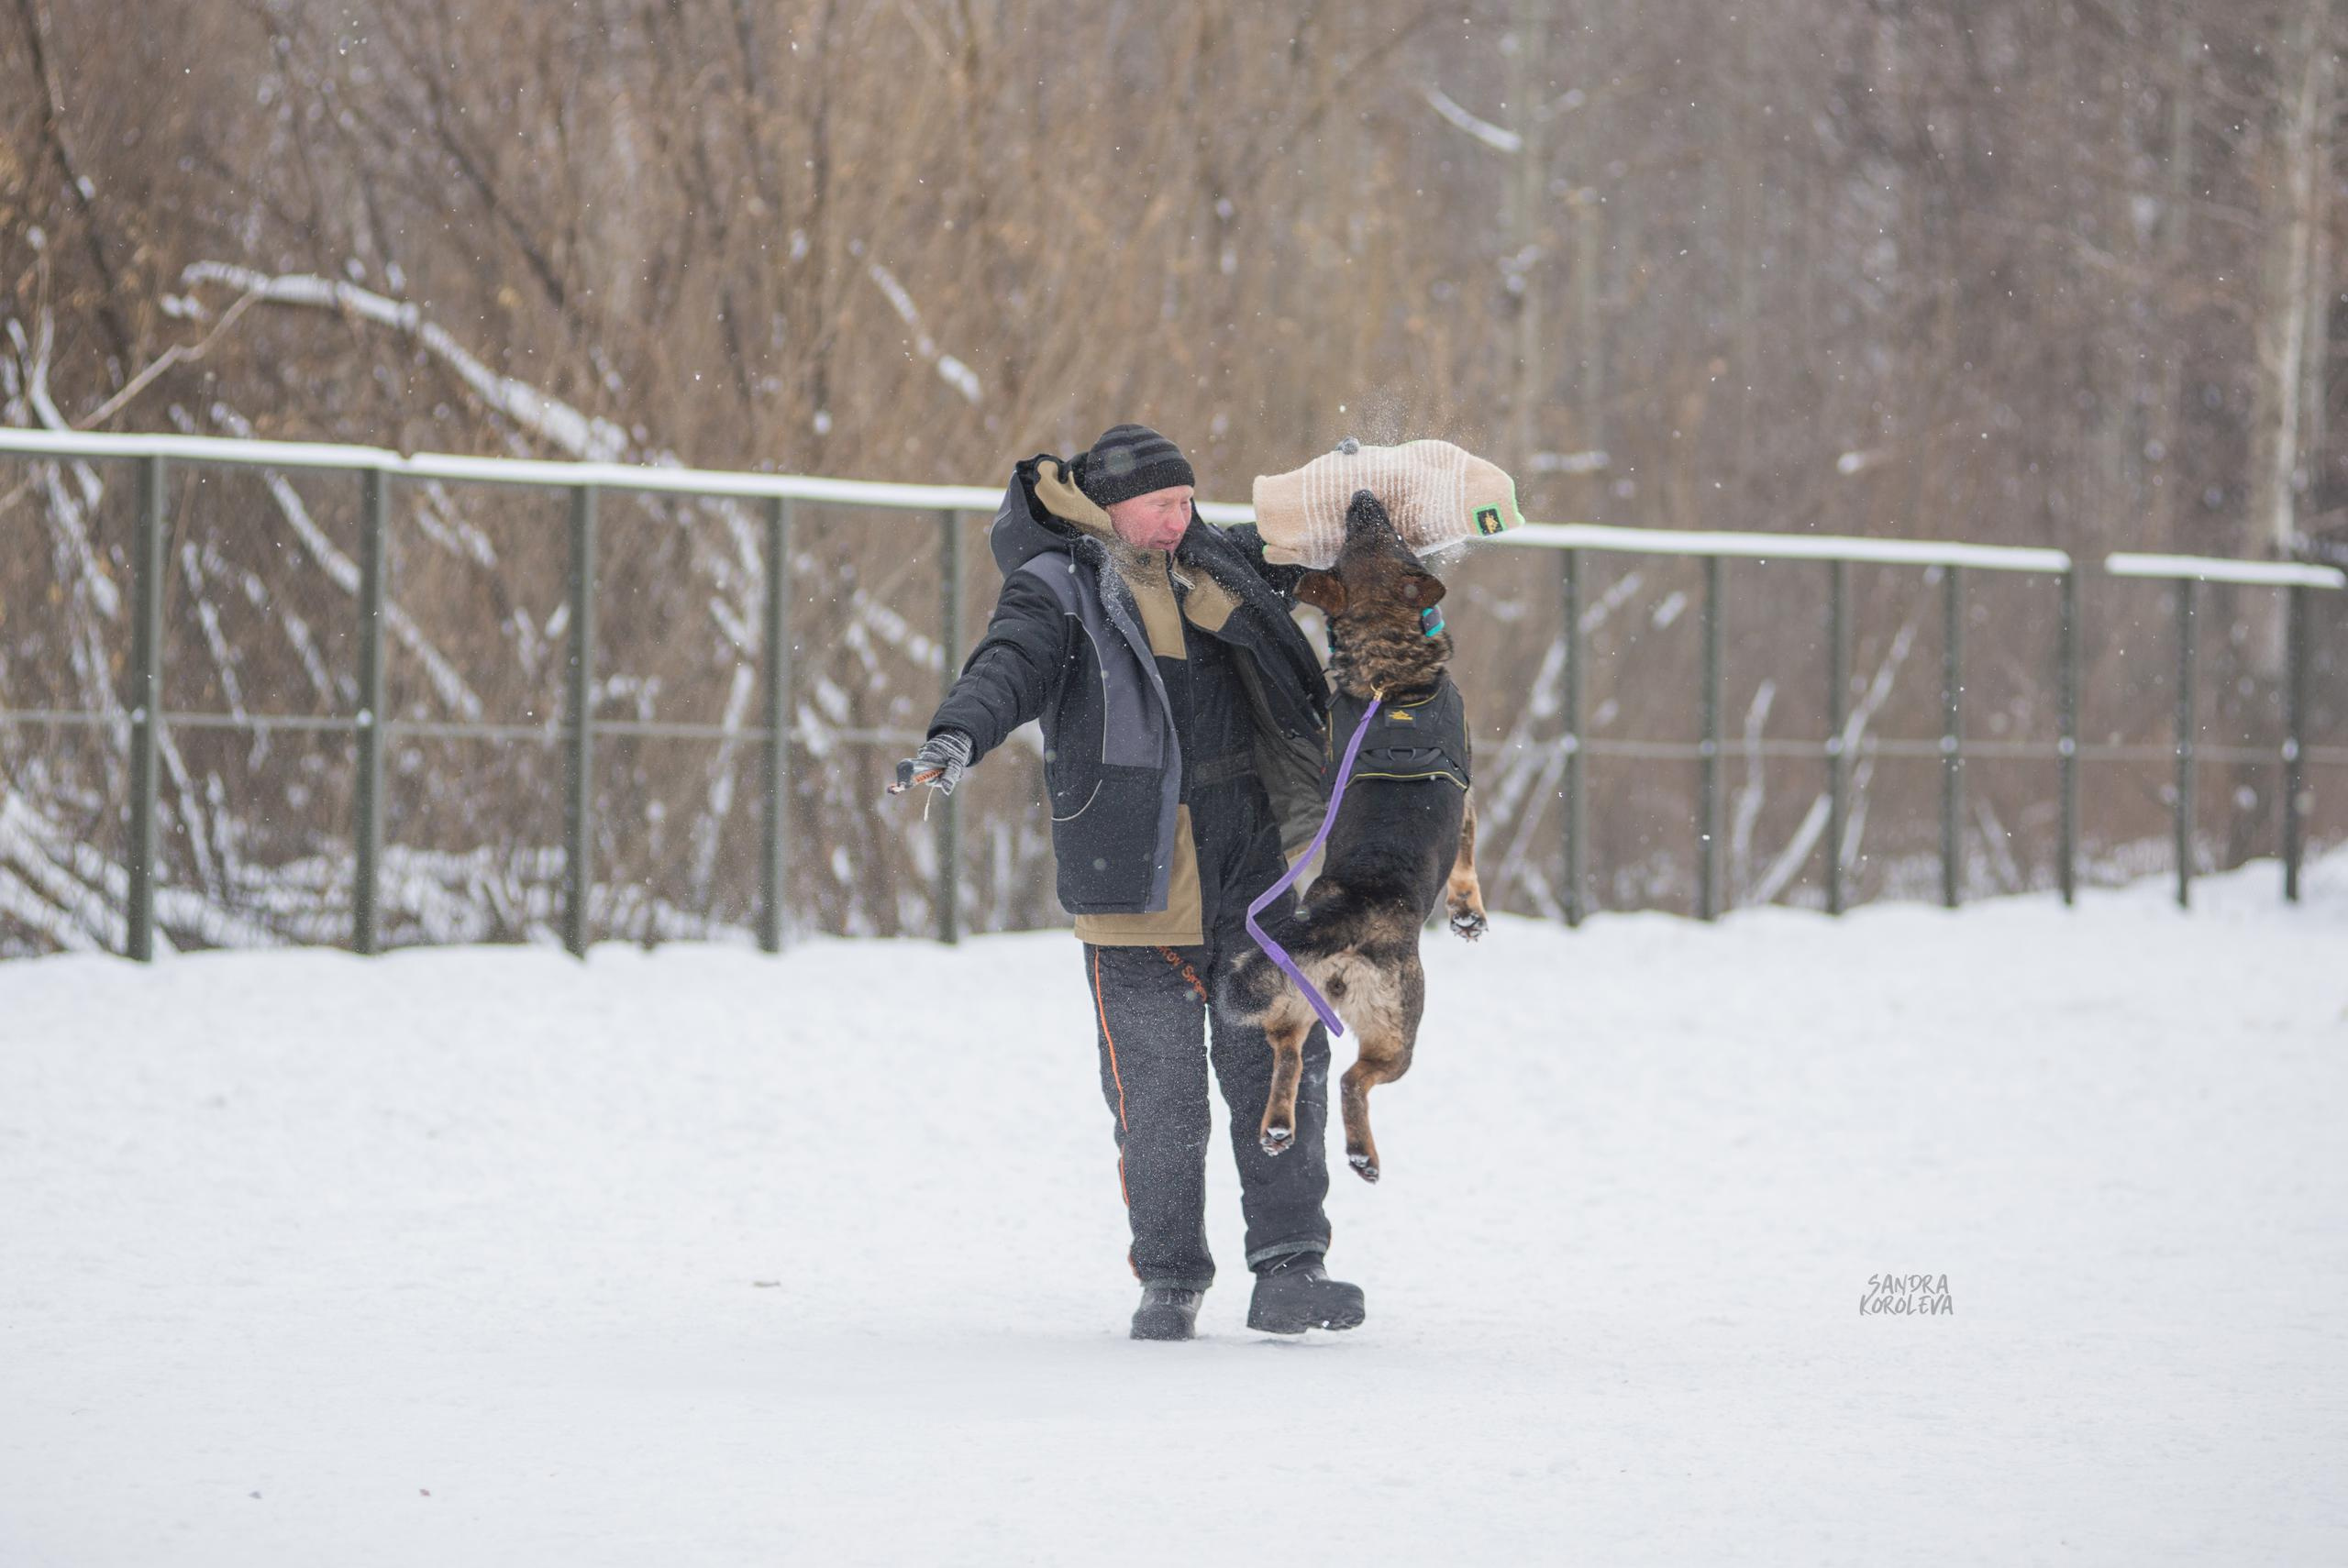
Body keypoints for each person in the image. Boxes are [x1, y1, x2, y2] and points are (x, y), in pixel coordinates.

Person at [892, 424, 1366, 1341]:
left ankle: (1290, 1270)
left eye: (1187, 501)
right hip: (1133, 878)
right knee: (1157, 1102)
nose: (1180, 518)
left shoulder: (1220, 565)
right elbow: (1007, 667)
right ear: (1112, 508)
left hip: (1253, 873)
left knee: (1281, 1067)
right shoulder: (1060, 588)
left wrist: (1353, 486)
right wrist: (955, 736)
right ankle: (1170, 1280)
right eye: (1161, 504)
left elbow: (1324, 558)